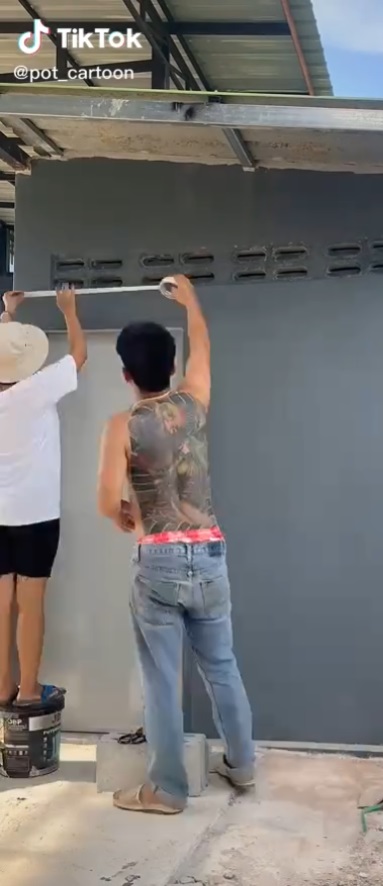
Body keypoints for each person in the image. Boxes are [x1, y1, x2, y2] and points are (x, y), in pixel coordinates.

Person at [97, 274, 254, 815]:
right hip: (210, 552)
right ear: (171, 366)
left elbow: (105, 501)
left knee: (162, 681)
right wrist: (190, 302)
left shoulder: (122, 425)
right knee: (222, 666)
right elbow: (203, 347)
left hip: (157, 560)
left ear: (126, 374)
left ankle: (166, 791)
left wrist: (126, 515)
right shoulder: (195, 402)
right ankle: (243, 765)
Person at [0, 287, 87, 707]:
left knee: (2, 603)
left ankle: (2, 686)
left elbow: (5, 355)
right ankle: (29, 689)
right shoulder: (37, 388)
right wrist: (68, 311)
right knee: (31, 604)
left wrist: (7, 315)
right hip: (36, 515)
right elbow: (79, 355)